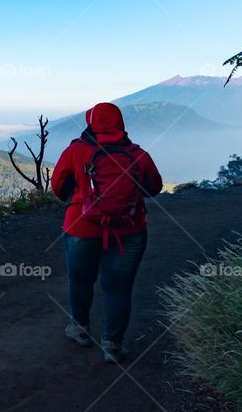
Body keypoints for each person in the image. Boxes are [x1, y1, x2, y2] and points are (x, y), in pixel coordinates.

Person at [50, 102, 163, 363]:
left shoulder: (76, 151)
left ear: (90, 122)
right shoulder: (137, 154)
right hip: (130, 229)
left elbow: (58, 187)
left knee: (80, 280)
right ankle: (112, 344)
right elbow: (153, 188)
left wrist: (81, 197)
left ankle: (80, 329)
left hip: (81, 227)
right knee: (119, 288)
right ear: (120, 123)